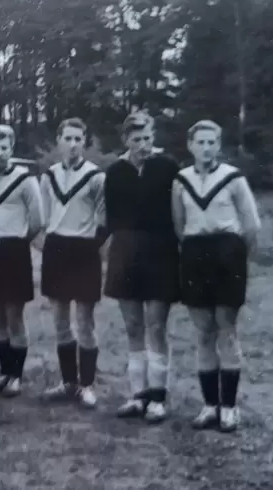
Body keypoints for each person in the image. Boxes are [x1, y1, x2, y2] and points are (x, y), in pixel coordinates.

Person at [172, 120, 261, 433]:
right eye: (201, 142)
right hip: (196, 255)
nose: (206, 148)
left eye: (212, 142)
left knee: (227, 329)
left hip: (227, 254)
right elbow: (179, 226)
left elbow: (251, 226)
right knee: (203, 331)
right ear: (191, 145)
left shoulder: (233, 178)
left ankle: (230, 407)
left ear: (219, 146)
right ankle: (209, 405)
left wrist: (236, 258)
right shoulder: (181, 180)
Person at [104, 112, 181, 423]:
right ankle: (137, 395)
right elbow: (111, 218)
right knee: (133, 326)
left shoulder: (168, 166)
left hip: (160, 250)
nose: (143, 145)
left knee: (157, 325)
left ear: (154, 136)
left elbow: (178, 209)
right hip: (125, 251)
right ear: (126, 140)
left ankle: (158, 397)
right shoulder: (116, 172)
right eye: (136, 140)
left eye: (148, 138)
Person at [38, 118, 106, 408]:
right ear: (59, 141)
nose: (74, 144)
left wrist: (91, 246)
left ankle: (87, 385)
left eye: (79, 139)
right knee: (60, 321)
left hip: (84, 250)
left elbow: (105, 219)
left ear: (84, 142)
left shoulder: (96, 176)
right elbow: (43, 219)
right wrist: (49, 246)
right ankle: (68, 382)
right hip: (56, 249)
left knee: (85, 322)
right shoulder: (48, 176)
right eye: (69, 138)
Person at [0, 125, 42, 397]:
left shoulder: (26, 180)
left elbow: (37, 220)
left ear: (12, 150)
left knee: (15, 317)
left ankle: (16, 376)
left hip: (14, 251)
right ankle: (3, 372)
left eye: (5, 148)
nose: (0, 153)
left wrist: (16, 240)